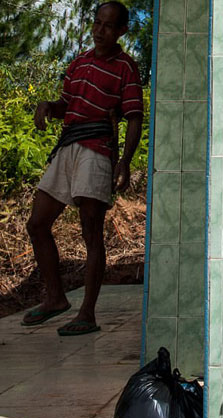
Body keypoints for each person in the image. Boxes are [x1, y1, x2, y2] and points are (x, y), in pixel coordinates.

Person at [22, 1, 143, 335]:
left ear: (121, 31)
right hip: (68, 145)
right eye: (97, 23)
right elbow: (68, 106)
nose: (99, 31)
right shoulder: (78, 62)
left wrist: (124, 161)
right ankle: (56, 298)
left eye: (108, 26)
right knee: (37, 223)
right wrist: (49, 107)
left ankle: (87, 313)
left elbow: (134, 117)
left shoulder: (125, 68)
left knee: (91, 231)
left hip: (98, 149)